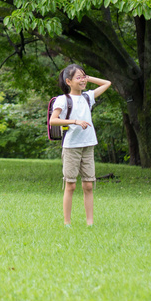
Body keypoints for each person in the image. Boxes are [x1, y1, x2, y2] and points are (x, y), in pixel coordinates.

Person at [48, 64, 112, 227]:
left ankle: (90, 223)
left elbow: (107, 83)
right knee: (70, 185)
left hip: (88, 144)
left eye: (84, 77)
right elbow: (53, 120)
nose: (83, 80)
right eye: (78, 78)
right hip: (71, 146)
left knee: (88, 185)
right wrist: (75, 121)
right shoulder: (63, 99)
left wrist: (88, 78)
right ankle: (67, 223)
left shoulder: (88, 96)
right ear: (68, 81)